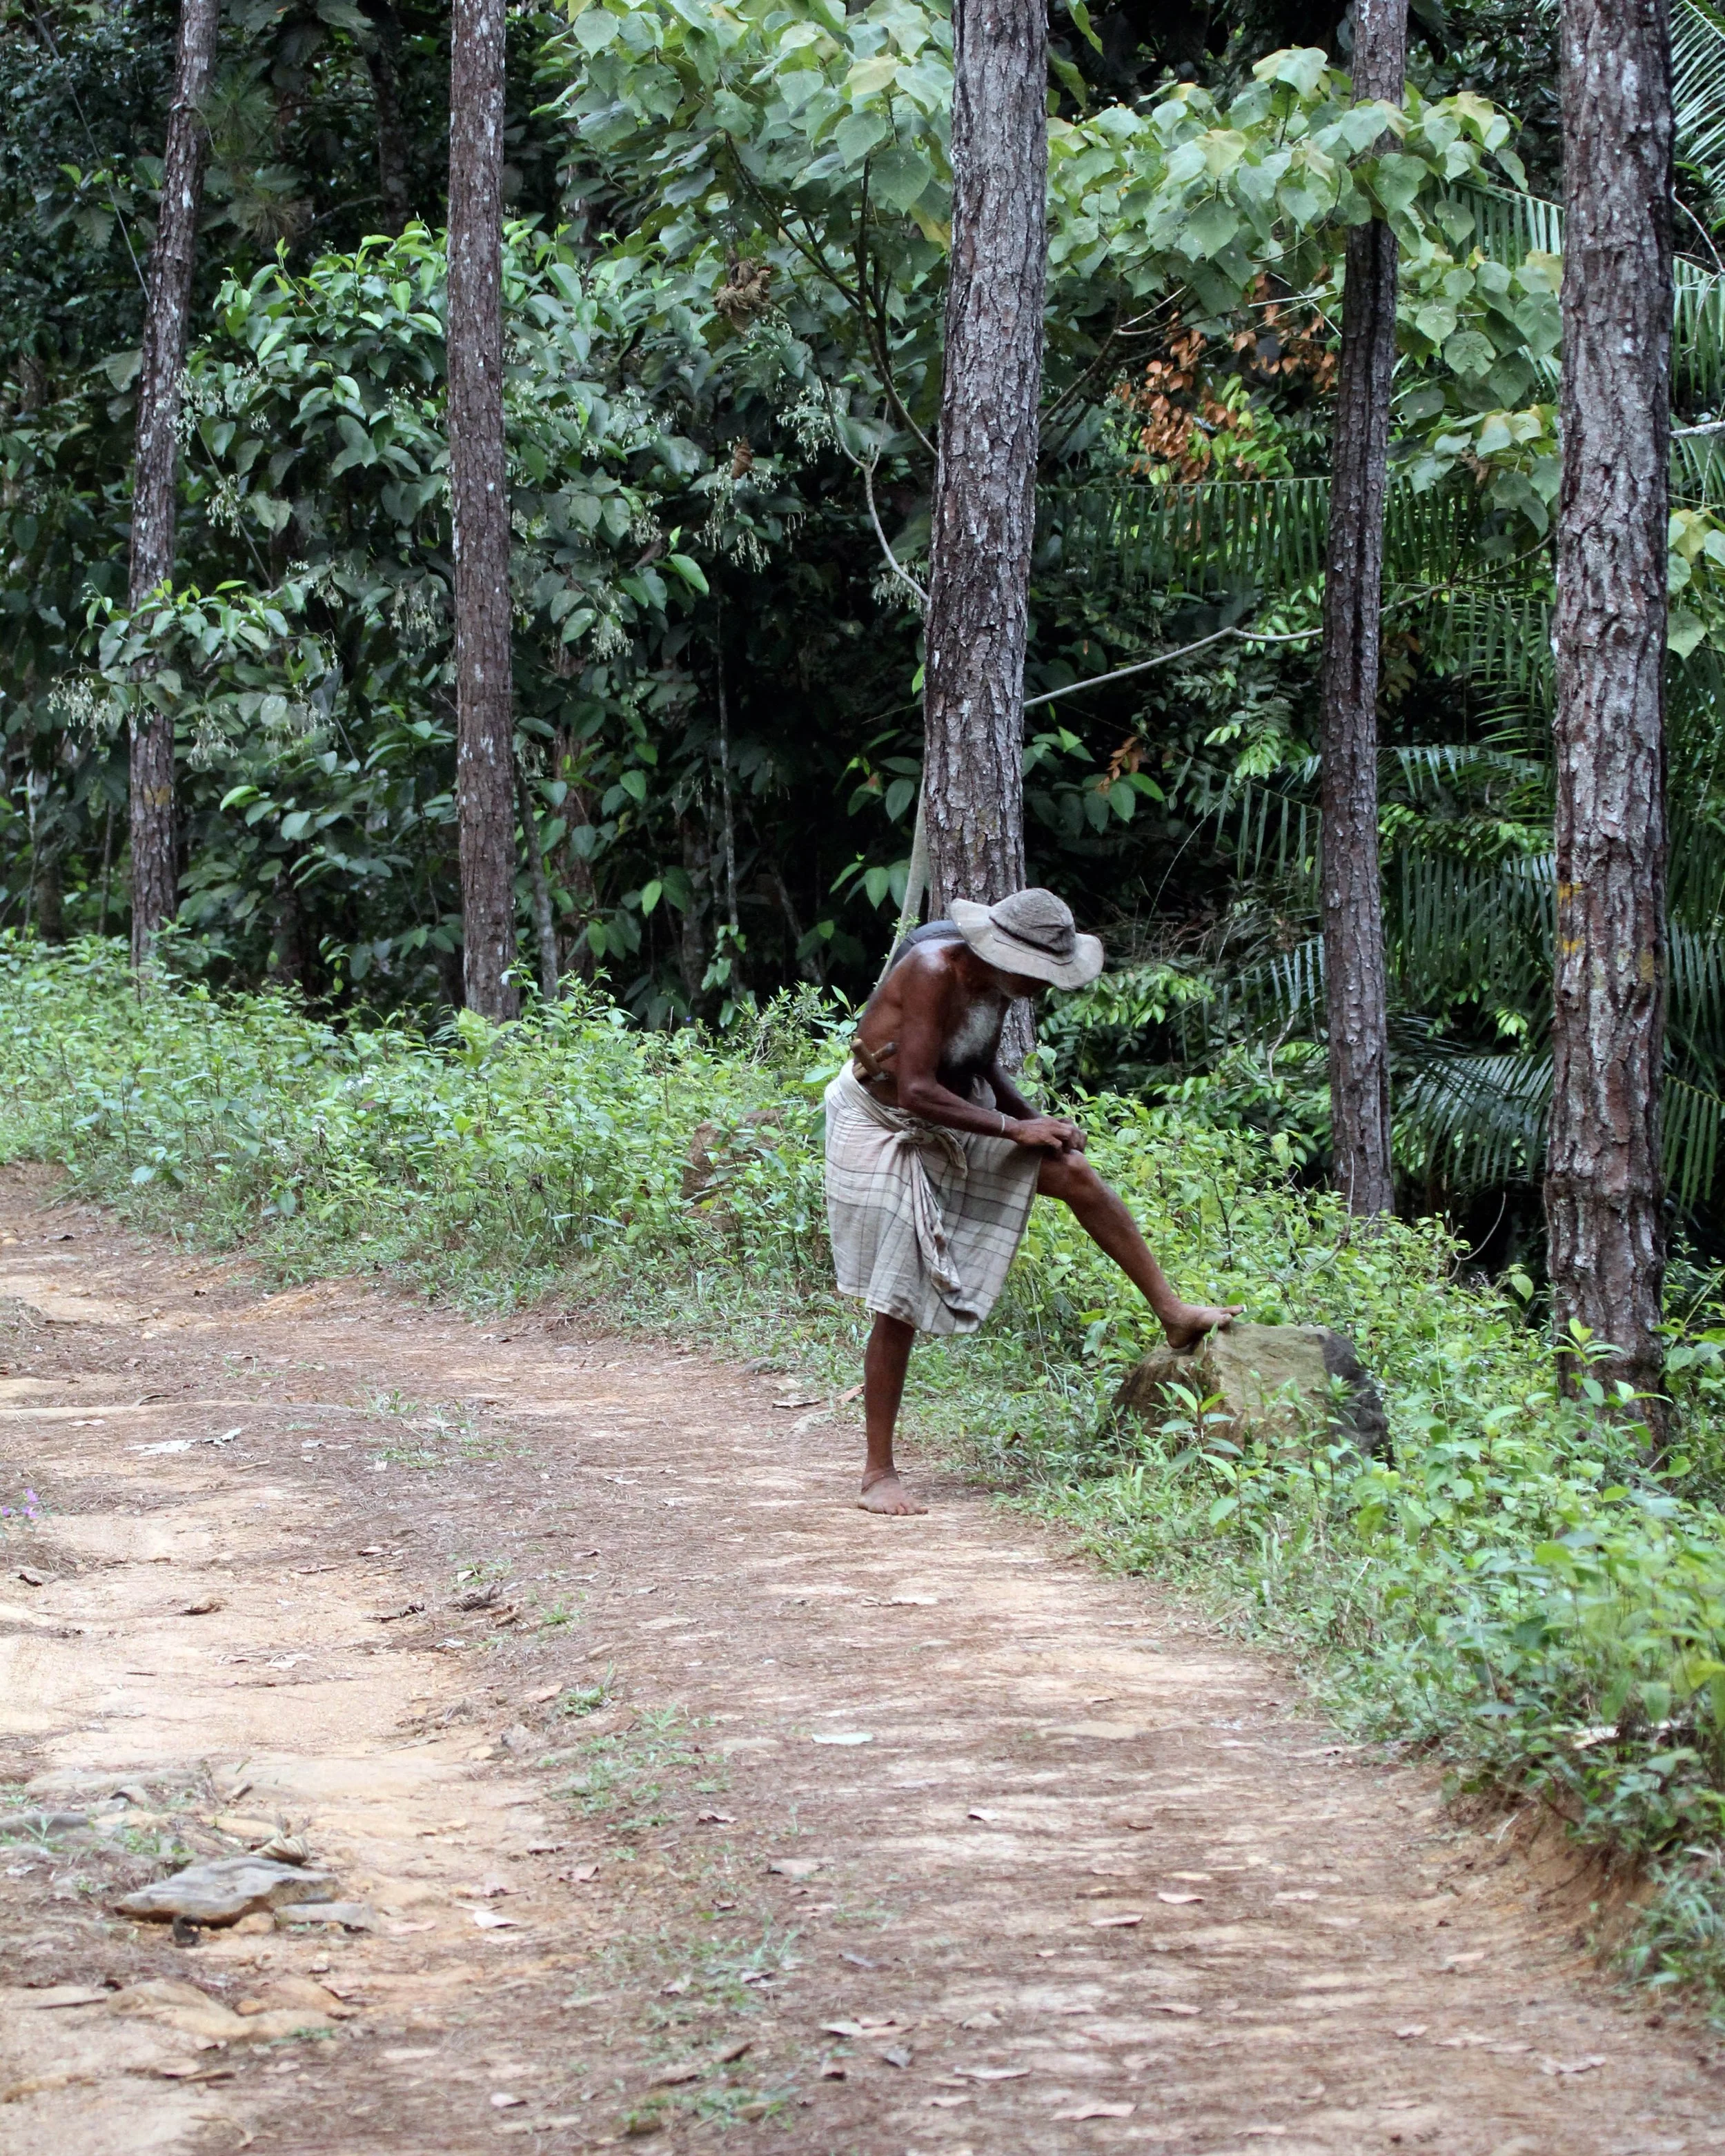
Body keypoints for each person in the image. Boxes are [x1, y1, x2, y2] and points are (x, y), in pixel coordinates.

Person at [824, 887, 1238, 1516]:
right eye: (1041, 973)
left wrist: (1032, 1116)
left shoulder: (995, 987)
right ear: (1003, 953)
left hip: (951, 1116)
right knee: (900, 1288)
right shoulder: (936, 972)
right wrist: (1013, 1130)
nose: (1046, 986)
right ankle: (878, 1472)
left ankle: (1172, 1309)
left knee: (1073, 1171)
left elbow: (981, 1068)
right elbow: (913, 1089)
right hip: (881, 1120)